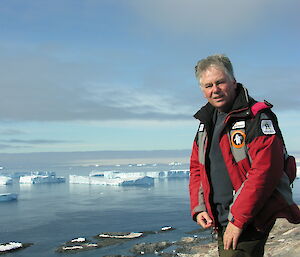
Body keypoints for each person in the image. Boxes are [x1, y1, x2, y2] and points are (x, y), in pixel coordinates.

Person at [189, 54, 300, 257]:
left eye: (220, 82)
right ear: (202, 91)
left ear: (233, 81)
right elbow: (197, 166)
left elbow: (265, 172)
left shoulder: (256, 117)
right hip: (221, 218)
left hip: (251, 218)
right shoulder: (206, 122)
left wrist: (238, 219)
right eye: (208, 85)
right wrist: (199, 207)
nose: (215, 90)